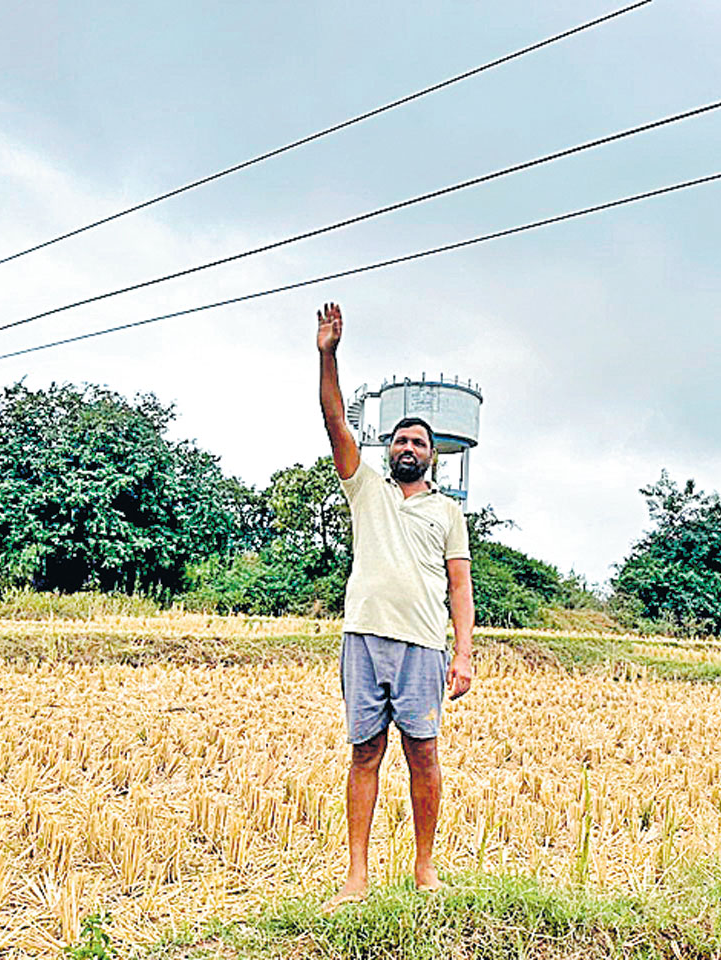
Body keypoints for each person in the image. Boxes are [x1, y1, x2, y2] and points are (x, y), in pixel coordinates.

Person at [316, 301, 475, 910]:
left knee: (424, 754)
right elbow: (334, 420)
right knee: (364, 752)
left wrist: (463, 653)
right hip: (364, 636)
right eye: (402, 438)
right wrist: (328, 354)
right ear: (388, 446)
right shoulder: (366, 487)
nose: (409, 446)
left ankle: (424, 869)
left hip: (424, 647)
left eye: (420, 441)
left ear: (433, 454)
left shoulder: (448, 512)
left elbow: (459, 587)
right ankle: (356, 876)